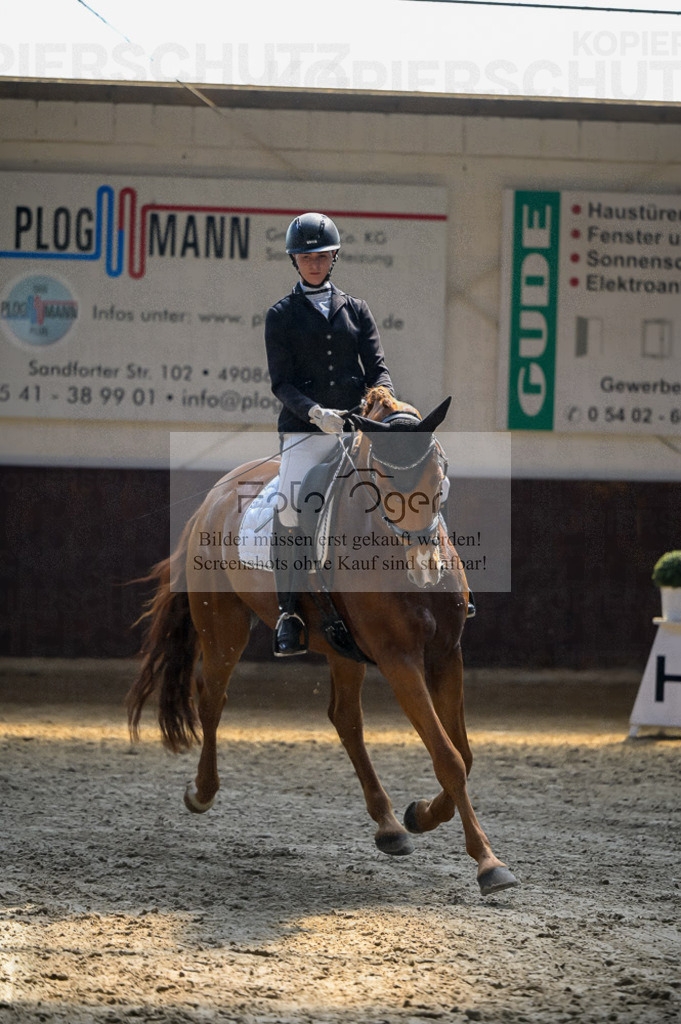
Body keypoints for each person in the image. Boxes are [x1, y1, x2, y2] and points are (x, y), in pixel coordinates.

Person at [264, 211, 395, 656]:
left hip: (356, 427)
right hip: (305, 431)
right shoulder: (280, 315)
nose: (313, 263)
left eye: (320, 255)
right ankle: (289, 612)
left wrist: (382, 401)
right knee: (289, 507)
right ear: (294, 261)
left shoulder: (356, 309)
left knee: (415, 480)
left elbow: (378, 369)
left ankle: (440, 578)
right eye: (305, 257)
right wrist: (314, 411)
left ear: (333, 256)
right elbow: (281, 383)